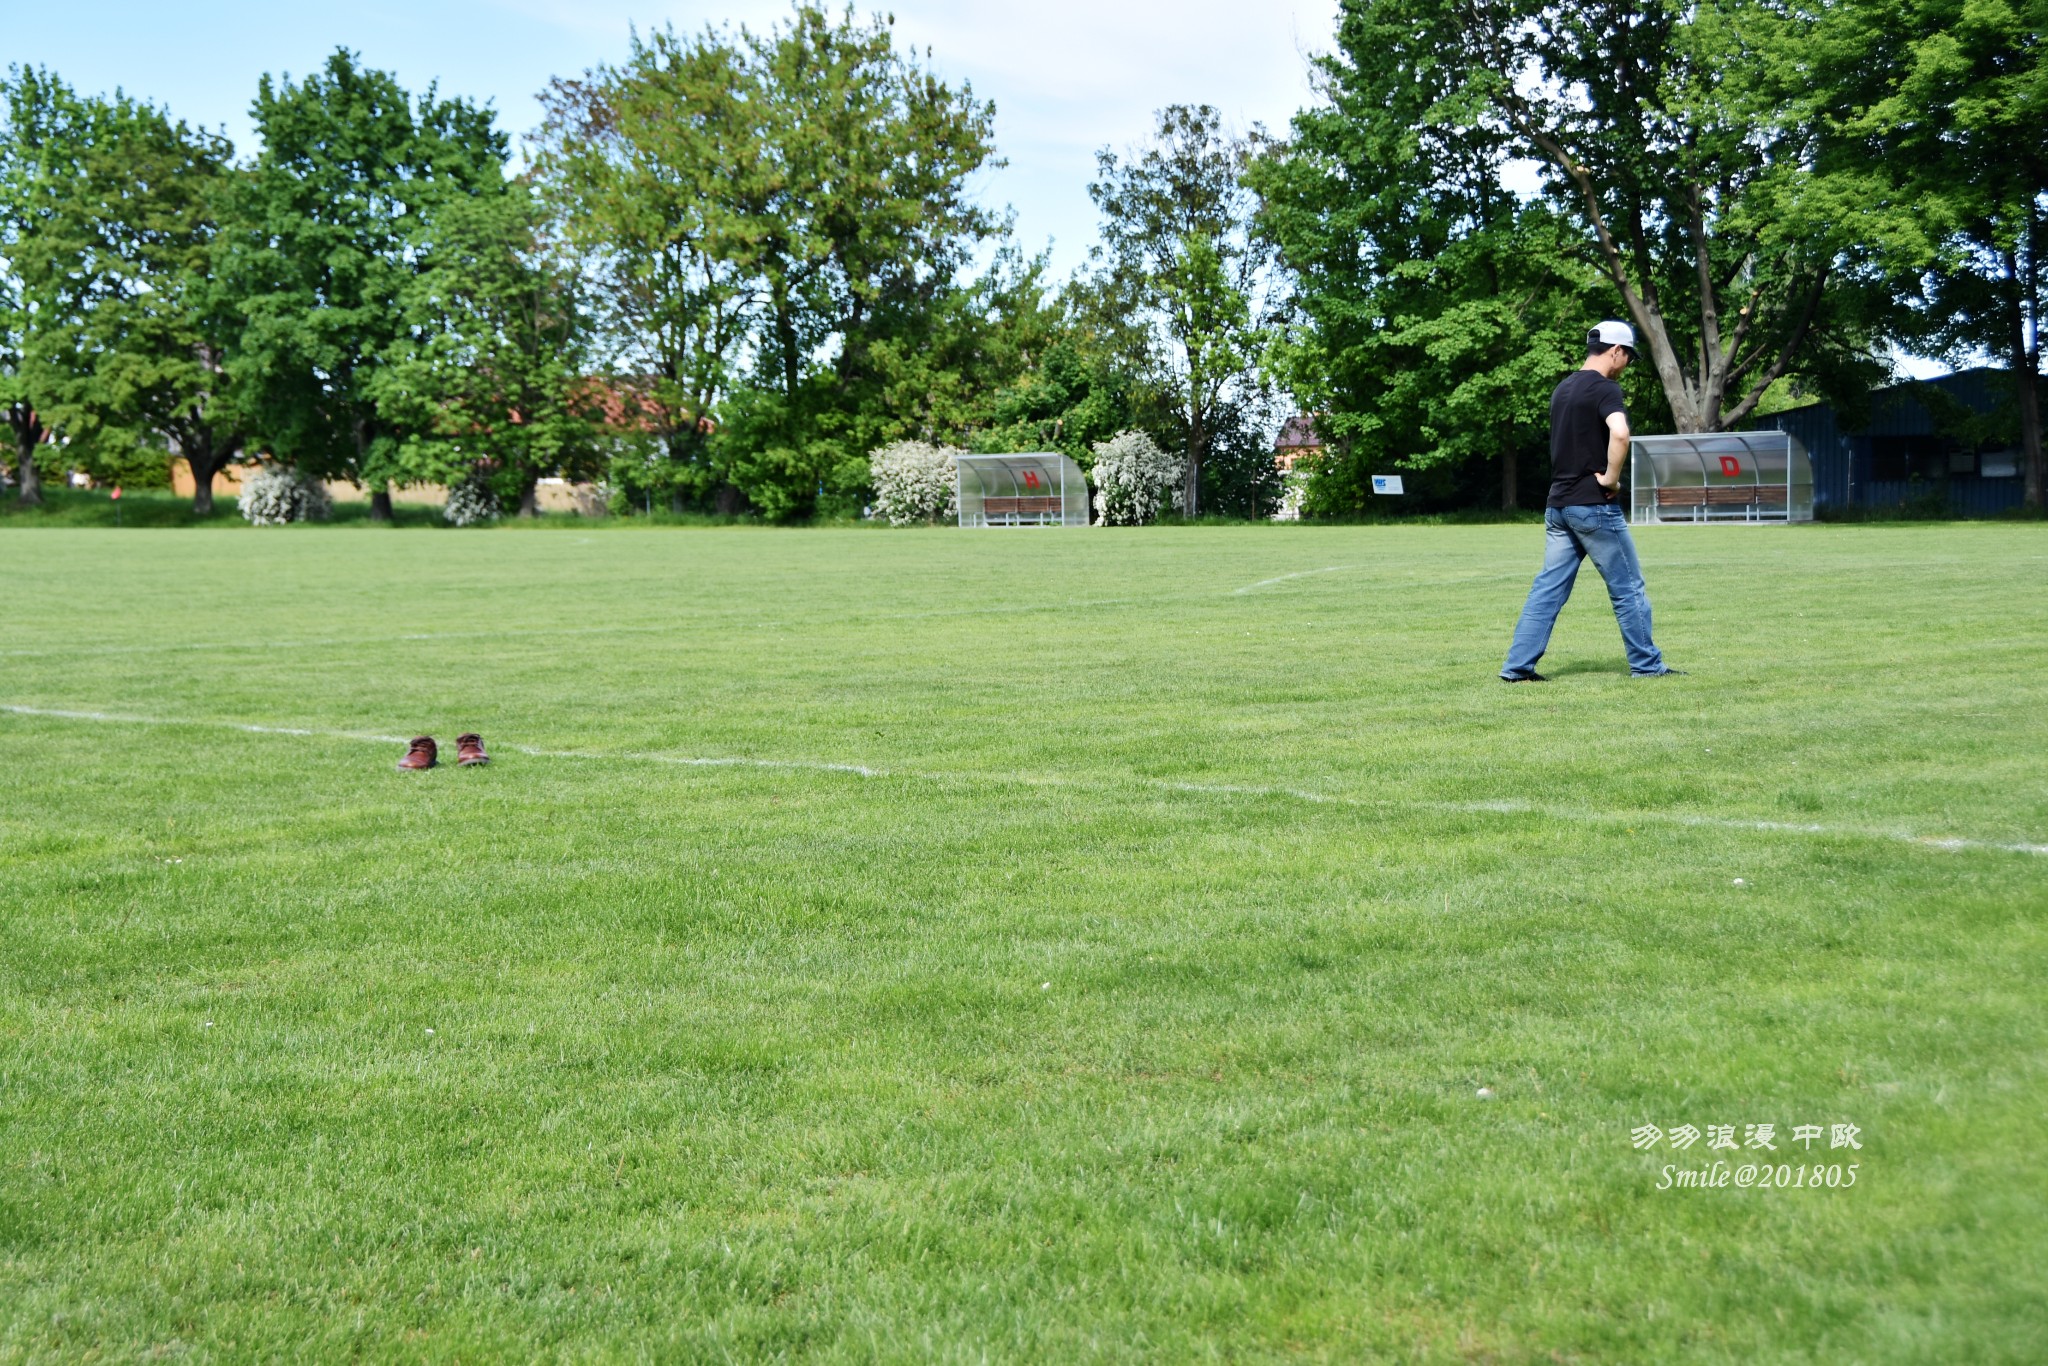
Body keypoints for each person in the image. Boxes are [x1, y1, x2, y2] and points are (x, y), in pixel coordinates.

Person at [1500, 320, 1679, 681]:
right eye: (1628, 356)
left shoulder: (1562, 389)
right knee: (1628, 588)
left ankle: (1517, 668)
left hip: (1558, 506)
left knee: (1547, 590)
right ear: (1616, 351)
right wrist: (1611, 479)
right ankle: (1647, 665)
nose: (1627, 364)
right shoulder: (1605, 389)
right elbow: (1621, 433)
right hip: (1593, 506)